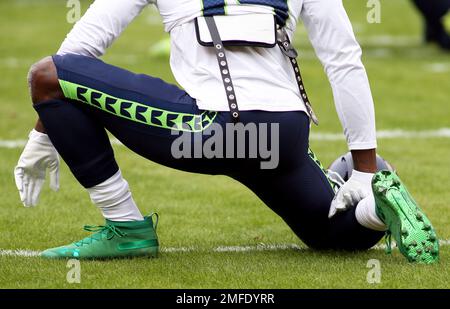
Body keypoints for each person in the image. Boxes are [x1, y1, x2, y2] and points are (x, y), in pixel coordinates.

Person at [14, 0, 438, 263]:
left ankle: (126, 227)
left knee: (46, 73)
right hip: (283, 134)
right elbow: (344, 62)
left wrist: (43, 131)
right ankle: (376, 208)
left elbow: (71, 61)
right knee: (333, 236)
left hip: (209, 133)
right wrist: (364, 169)